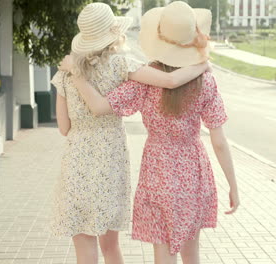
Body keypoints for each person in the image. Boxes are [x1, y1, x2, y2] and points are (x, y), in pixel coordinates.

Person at [61, 2, 239, 264]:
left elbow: (99, 106)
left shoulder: (144, 81)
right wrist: (233, 186)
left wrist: (76, 74)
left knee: (163, 253)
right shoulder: (205, 80)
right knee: (192, 253)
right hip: (193, 169)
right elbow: (219, 142)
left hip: (156, 169)